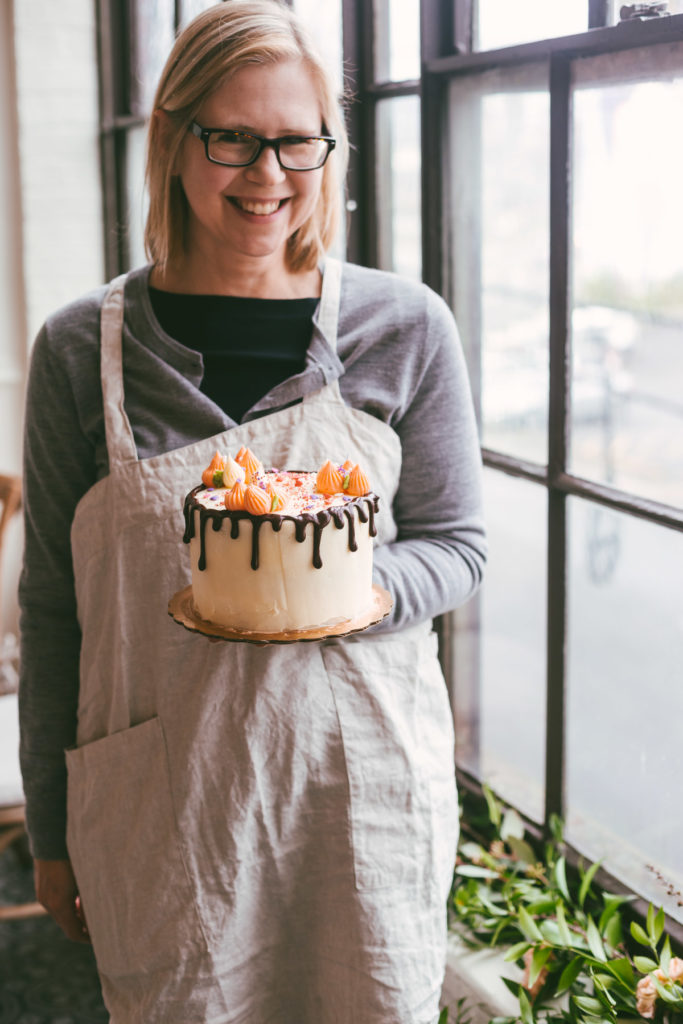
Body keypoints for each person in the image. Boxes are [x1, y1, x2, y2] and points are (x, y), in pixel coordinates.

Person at [18, 2, 486, 1022]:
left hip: (355, 794)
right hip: (164, 807)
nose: (267, 172)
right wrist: (50, 831)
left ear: (330, 149)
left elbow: (457, 546)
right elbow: (55, 608)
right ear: (173, 140)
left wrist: (352, 589)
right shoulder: (76, 354)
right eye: (231, 137)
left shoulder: (400, 327)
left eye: (295, 140)